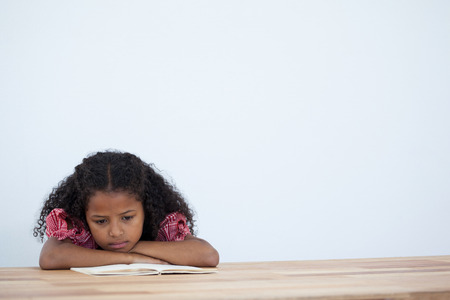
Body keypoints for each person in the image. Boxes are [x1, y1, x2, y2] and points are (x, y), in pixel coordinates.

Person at [33, 151, 219, 270]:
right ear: (84, 215)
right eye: (100, 221)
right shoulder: (76, 227)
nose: (115, 232)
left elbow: (208, 255)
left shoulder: (162, 224)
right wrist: (129, 258)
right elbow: (50, 257)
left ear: (146, 209)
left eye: (127, 217)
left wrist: (137, 247)